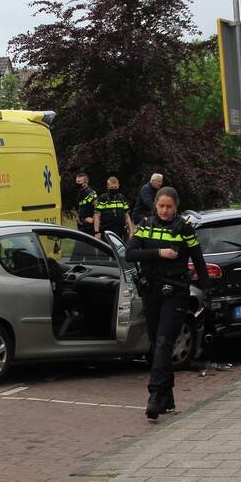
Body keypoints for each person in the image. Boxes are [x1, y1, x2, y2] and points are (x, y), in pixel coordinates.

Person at [125, 187, 209, 420]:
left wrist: (208, 290)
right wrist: (160, 253)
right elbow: (130, 254)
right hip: (151, 290)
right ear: (156, 206)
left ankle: (154, 396)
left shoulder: (184, 228)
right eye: (161, 206)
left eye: (168, 206)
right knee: (156, 344)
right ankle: (167, 396)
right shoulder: (146, 225)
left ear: (176, 207)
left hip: (175, 292)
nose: (164, 210)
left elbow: (198, 260)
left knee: (163, 341)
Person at [93, 176, 135, 240]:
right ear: (107, 187)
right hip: (106, 231)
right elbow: (97, 216)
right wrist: (96, 232)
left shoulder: (122, 198)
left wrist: (131, 231)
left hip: (121, 231)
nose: (114, 189)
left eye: (115, 187)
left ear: (118, 186)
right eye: (111, 187)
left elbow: (127, 216)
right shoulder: (103, 198)